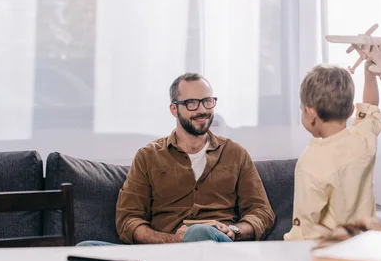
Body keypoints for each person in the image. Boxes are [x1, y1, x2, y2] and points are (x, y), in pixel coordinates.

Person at [78, 72, 275, 246]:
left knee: (200, 232)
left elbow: (261, 212)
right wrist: (172, 240)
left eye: (207, 101)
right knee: (85, 250)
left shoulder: (234, 153)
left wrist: (234, 231)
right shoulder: (148, 156)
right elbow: (128, 220)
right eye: (192, 103)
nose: (202, 110)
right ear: (174, 109)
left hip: (217, 250)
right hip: (163, 254)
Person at [283, 61, 381, 241]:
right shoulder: (362, 139)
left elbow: (304, 229)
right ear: (352, 110)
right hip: (368, 247)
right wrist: (369, 76)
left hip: (331, 253)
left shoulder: (310, 161)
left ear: (310, 113)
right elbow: (370, 109)